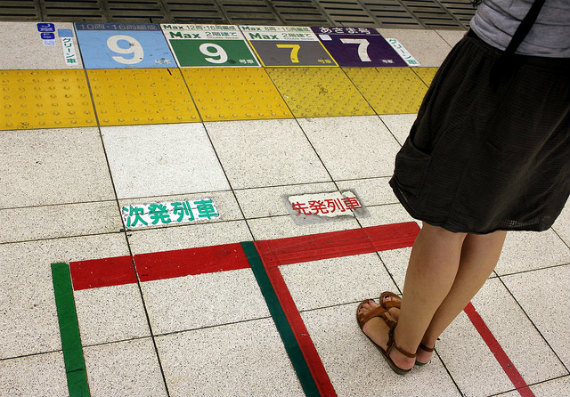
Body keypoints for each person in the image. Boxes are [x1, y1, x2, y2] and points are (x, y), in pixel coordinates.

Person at [357, 0, 570, 374]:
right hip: (561, 87)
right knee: (494, 217)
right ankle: (426, 338)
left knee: (445, 223)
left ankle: (403, 345)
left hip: (506, 62)